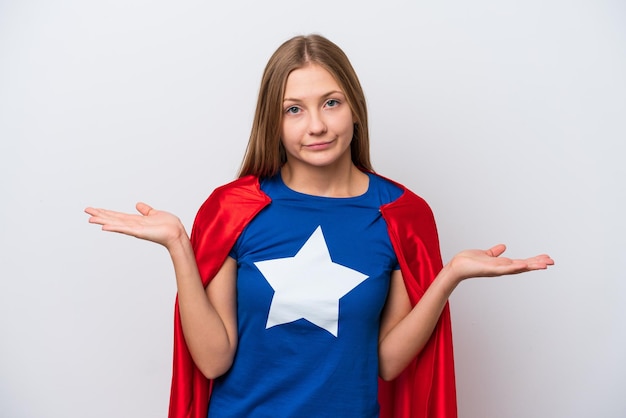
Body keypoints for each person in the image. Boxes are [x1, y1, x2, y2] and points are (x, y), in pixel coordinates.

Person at [85, 34, 553, 418]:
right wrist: (179, 247)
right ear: (274, 120)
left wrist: (448, 277)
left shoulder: (401, 215)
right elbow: (213, 360)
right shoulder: (234, 207)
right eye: (294, 109)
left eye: (330, 103)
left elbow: (388, 364)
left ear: (354, 108)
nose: (316, 126)